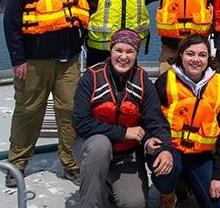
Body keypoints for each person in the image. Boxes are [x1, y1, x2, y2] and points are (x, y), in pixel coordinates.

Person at [3, 0, 98, 187]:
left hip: (68, 61)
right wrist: (17, 59)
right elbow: (10, 19)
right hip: (34, 62)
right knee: (28, 111)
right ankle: (17, 164)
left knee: (70, 112)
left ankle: (70, 163)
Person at [72, 29, 179, 208]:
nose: (123, 57)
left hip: (126, 156)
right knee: (100, 145)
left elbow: (156, 120)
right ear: (110, 51)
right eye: (118, 50)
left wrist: (166, 148)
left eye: (130, 51)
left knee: (134, 203)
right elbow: (81, 123)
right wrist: (123, 133)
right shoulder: (91, 77)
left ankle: (107, 180)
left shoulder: (142, 80)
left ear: (136, 53)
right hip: (90, 148)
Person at [155, 34, 220, 208]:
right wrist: (162, 149)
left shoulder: (219, 85)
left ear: (208, 58)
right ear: (181, 55)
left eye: (202, 55)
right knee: (167, 173)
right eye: (190, 54)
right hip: (170, 151)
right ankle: (168, 192)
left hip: (201, 156)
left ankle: (190, 185)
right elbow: (152, 120)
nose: (195, 60)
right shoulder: (165, 81)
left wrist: (219, 177)